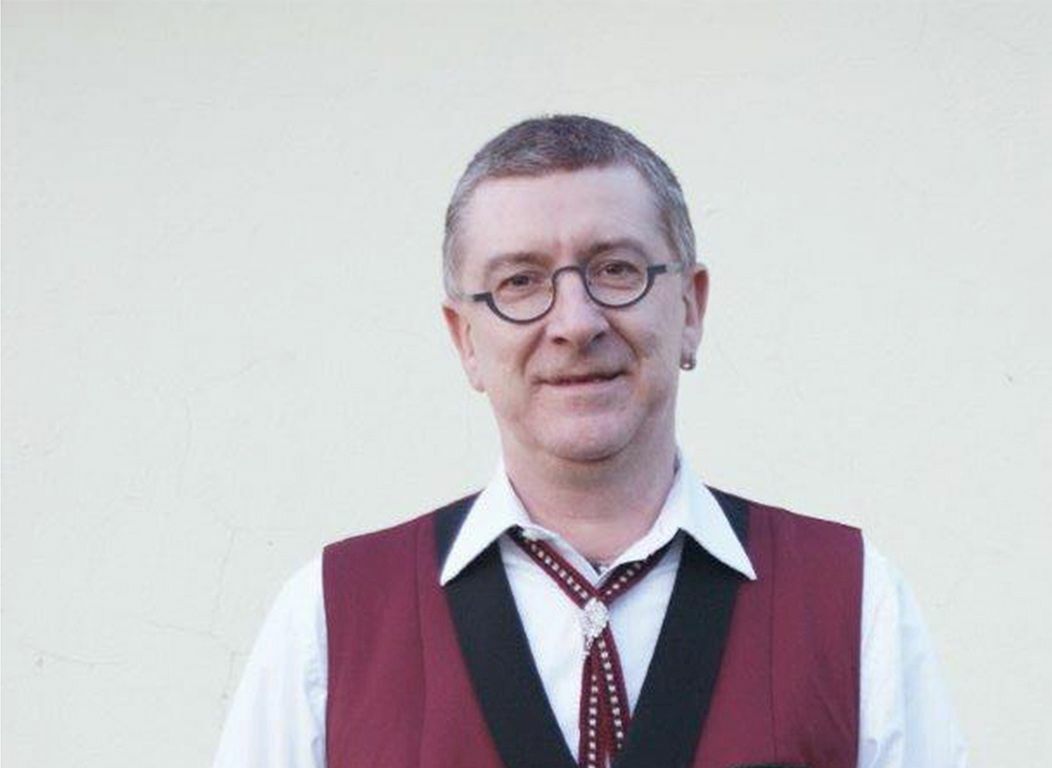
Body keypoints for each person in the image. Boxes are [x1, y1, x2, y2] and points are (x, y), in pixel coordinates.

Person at [213, 115, 967, 768]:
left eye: (615, 269)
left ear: (691, 309)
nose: (575, 322)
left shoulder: (853, 600)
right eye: (520, 281)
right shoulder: (329, 620)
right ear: (465, 339)